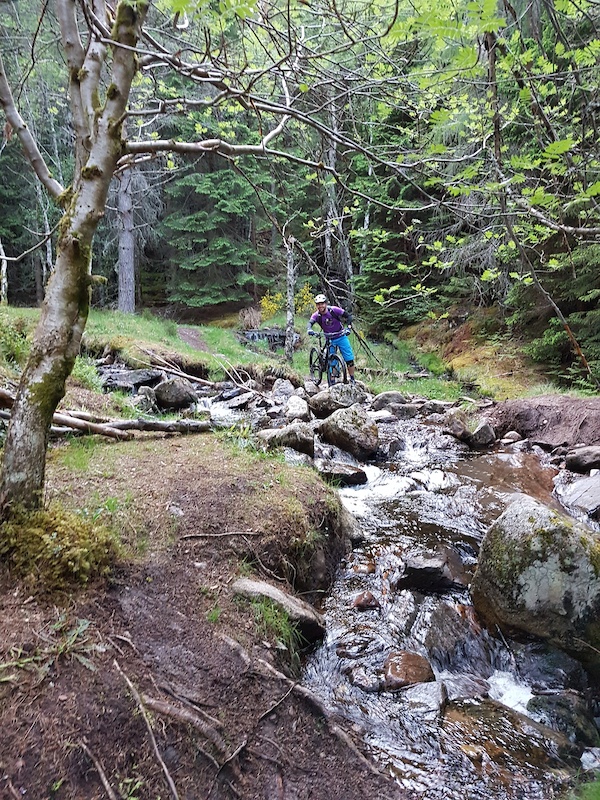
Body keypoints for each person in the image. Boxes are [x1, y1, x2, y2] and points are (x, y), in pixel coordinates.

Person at [307, 294, 356, 382]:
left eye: (322, 303)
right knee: (332, 361)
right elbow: (310, 322)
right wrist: (309, 329)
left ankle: (352, 379)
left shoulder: (334, 310)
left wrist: (348, 328)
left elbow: (348, 316)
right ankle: (332, 382)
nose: (320, 306)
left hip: (341, 336)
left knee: (349, 360)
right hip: (329, 339)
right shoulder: (317, 315)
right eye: (318, 304)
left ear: (325, 303)